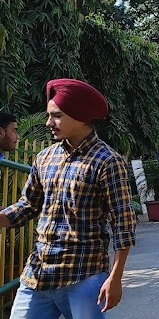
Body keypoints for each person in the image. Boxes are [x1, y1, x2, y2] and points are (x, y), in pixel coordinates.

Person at [0, 78, 136, 317]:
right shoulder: (45, 158)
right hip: (38, 274)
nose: (49, 122)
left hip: (84, 275)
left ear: (81, 116)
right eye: (49, 115)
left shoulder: (107, 161)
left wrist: (115, 278)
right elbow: (29, 205)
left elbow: (123, 222)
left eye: (57, 116)